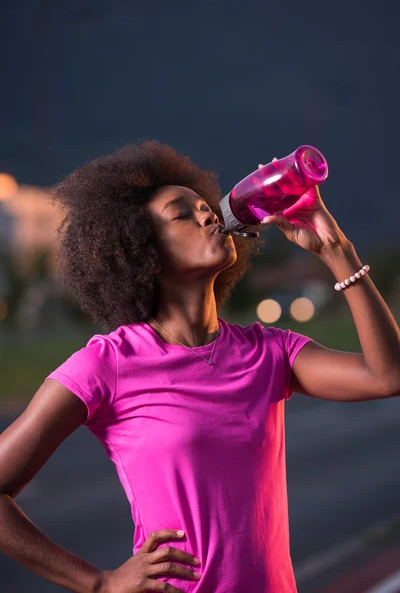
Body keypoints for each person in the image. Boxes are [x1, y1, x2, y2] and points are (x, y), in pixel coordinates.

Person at [0, 140, 399, 593]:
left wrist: (334, 247)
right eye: (182, 214)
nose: (209, 215)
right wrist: (98, 583)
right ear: (142, 250)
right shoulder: (107, 364)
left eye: (206, 207)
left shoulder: (270, 352)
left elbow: (387, 376)